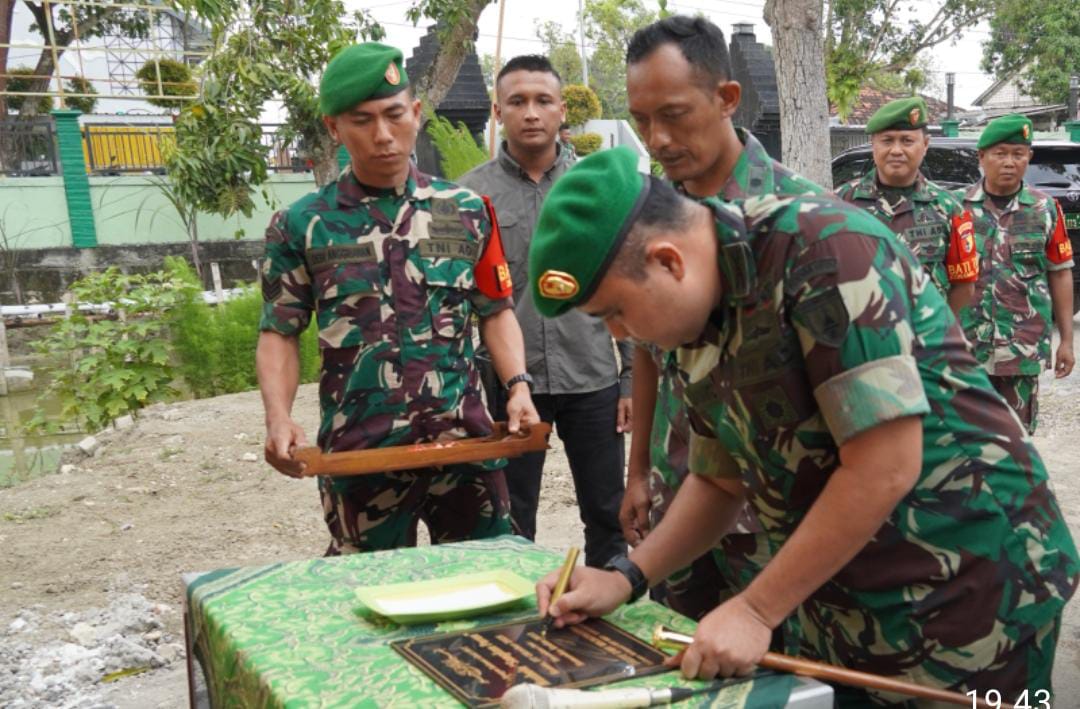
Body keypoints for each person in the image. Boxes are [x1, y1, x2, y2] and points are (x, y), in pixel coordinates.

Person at [530, 147, 1078, 704]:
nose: (620, 335)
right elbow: (718, 479)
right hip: (847, 603)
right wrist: (625, 577)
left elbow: (884, 466)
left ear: (669, 262)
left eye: (615, 313)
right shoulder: (694, 311)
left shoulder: (825, 253)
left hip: (972, 592)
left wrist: (753, 609)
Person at [256, 42, 538, 554]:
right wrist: (278, 416)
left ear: (416, 113)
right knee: (370, 591)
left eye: (393, 115)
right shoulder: (301, 225)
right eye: (362, 121)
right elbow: (279, 331)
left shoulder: (467, 211)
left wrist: (518, 386)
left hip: (464, 446)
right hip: (362, 452)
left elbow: (496, 311)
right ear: (334, 128)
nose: (383, 135)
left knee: (484, 580)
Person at [620, 14, 822, 623]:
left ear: (727, 98)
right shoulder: (653, 218)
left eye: (673, 114)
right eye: (641, 121)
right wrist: (638, 471)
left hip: (767, 510)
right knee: (676, 646)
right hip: (681, 492)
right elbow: (648, 353)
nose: (657, 139)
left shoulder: (800, 224)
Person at [460, 55, 631, 568]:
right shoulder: (469, 196)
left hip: (592, 376)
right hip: (509, 382)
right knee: (510, 516)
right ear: (498, 111)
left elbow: (626, 287)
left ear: (562, 110)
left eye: (543, 101)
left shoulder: (597, 190)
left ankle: (607, 600)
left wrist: (630, 380)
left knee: (608, 512)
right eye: (517, 101)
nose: (531, 113)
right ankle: (516, 608)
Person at [955, 114, 1074, 433]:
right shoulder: (955, 208)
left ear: (1029, 157)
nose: (1009, 162)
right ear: (982, 157)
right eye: (1000, 153)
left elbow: (1060, 274)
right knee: (964, 440)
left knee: (1016, 441)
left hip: (1021, 348)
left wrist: (1066, 341)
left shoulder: (1045, 209)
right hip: (965, 347)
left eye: (1018, 154)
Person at [836, 97, 978, 316]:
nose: (896, 150)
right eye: (887, 141)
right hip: (860, 335)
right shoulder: (840, 203)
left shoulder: (949, 208)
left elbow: (964, 286)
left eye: (907, 141)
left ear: (925, 145)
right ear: (873, 145)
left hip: (924, 335)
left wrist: (936, 329)